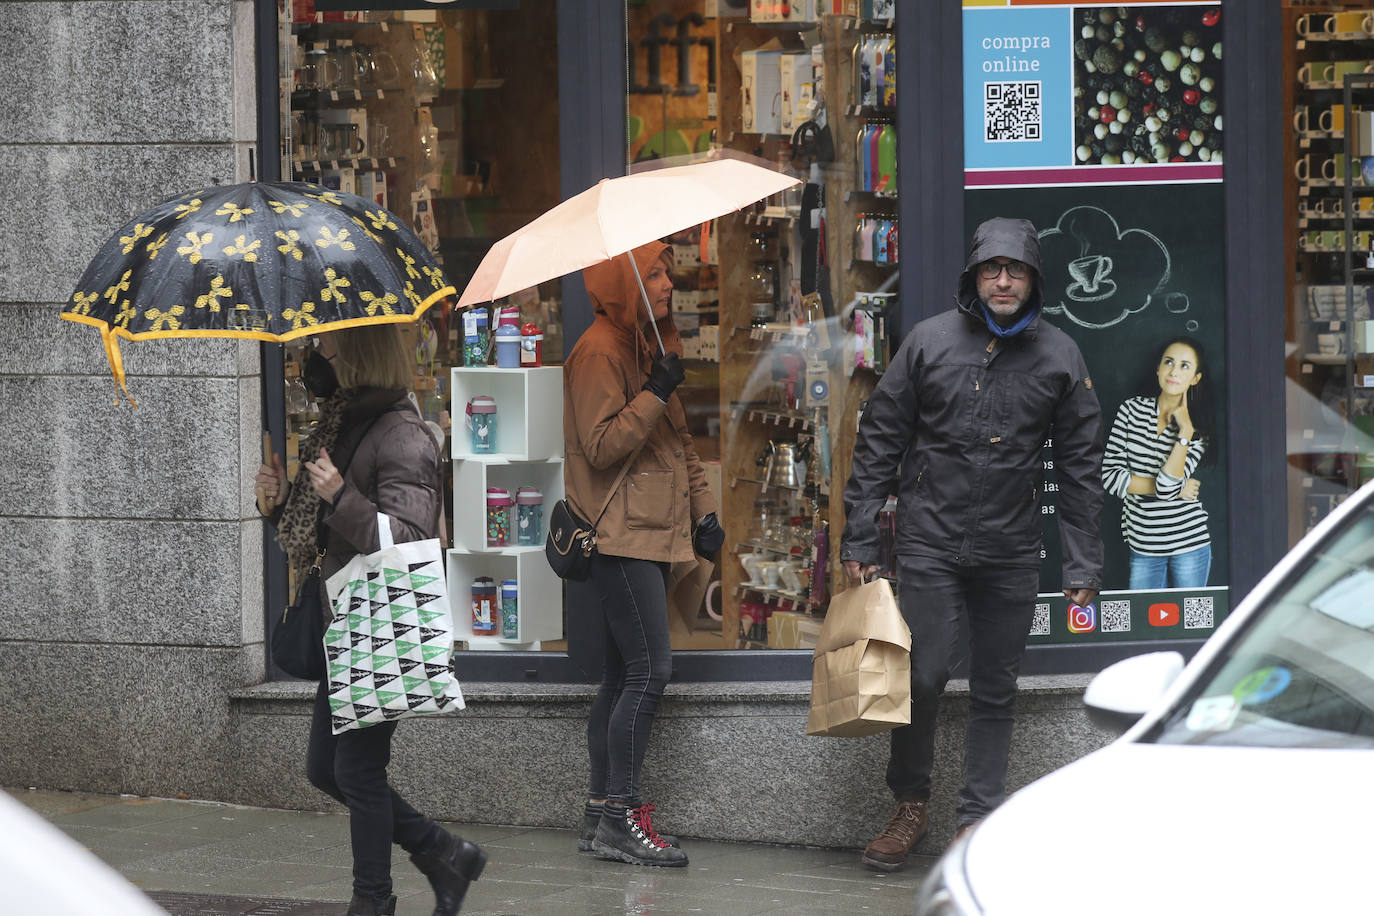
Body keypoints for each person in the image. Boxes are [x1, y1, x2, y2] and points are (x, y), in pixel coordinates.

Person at [840, 217, 1105, 870]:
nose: (1004, 280)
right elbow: (880, 438)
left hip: (1012, 549)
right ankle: (909, 804)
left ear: (1034, 279)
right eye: (993, 269)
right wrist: (861, 533)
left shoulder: (1061, 357)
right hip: (929, 540)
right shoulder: (929, 343)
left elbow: (1080, 469)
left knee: (995, 687)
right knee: (923, 674)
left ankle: (976, 819)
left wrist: (1082, 565)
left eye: (1016, 270)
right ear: (974, 278)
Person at [255, 325, 485, 916]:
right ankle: (442, 852)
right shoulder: (345, 422)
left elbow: (407, 538)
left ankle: (373, 901)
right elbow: (321, 535)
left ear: (357, 358)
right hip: (346, 623)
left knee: (356, 769)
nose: (317, 361)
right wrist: (280, 503)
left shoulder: (404, 433)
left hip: (377, 624)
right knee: (326, 769)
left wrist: (339, 497)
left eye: (327, 351)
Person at [563, 241, 723, 867]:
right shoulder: (599, 351)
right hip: (620, 537)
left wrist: (703, 512)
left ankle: (602, 812)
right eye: (653, 273)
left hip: (652, 530)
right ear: (622, 283)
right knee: (648, 673)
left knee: (620, 677)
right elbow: (601, 447)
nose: (667, 282)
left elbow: (678, 442)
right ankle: (622, 817)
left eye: (664, 271)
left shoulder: (646, 344)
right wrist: (655, 390)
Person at [1101, 336, 1214, 589]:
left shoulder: (1197, 431)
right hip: (1144, 547)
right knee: (1144, 627)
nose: (1174, 371)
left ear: (1195, 377)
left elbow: (1166, 489)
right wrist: (1179, 489)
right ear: (1158, 368)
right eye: (1169, 362)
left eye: (1185, 366)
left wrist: (1184, 432)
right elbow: (1110, 477)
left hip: (1190, 545)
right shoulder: (1130, 411)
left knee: (1191, 627)